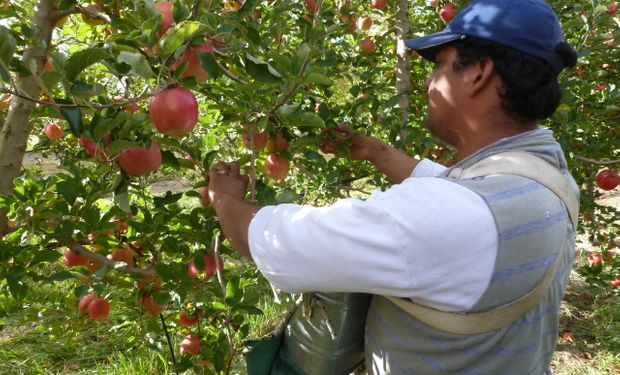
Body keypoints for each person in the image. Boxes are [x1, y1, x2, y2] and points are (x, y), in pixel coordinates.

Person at [207, 0, 579, 373]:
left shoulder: (447, 219)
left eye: (439, 65)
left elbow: (279, 244)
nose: (429, 82)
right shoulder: (546, 181)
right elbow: (453, 187)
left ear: (479, 73)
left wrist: (226, 199)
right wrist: (375, 151)